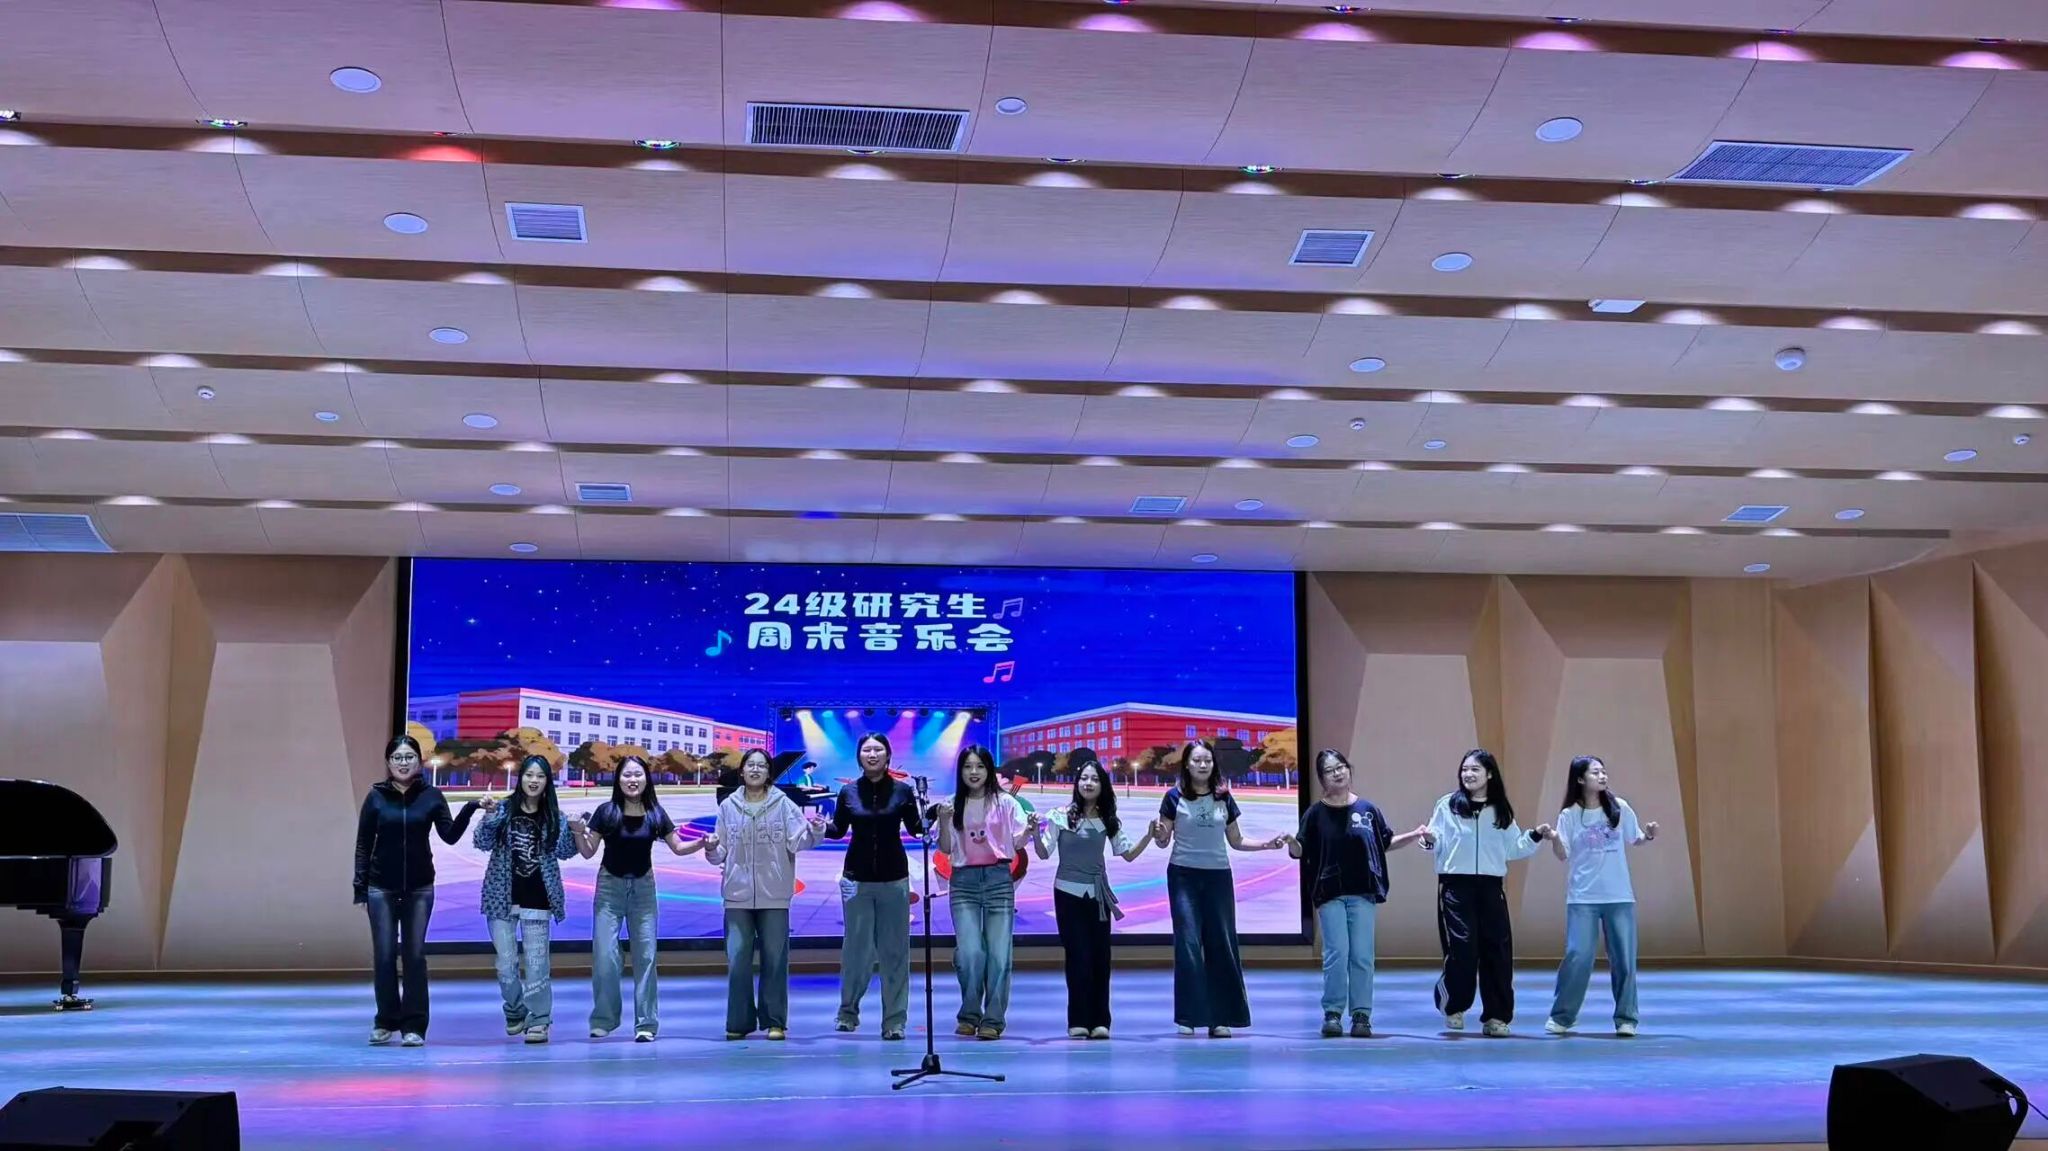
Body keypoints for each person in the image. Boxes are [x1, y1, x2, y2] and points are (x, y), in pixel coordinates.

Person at [1287, 749, 1430, 1038]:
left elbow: (1385, 842)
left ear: (1348, 769)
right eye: (1330, 770)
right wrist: (1291, 842)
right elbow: (1300, 850)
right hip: (1330, 892)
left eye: (1341, 767)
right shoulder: (1315, 814)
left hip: (1363, 891)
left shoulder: (1367, 810)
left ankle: (1362, 1015)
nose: (1337, 773)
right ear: (1322, 779)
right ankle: (1333, 1013)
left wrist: (1414, 835)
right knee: (1336, 953)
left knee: (1362, 955)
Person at [352, 734, 481, 1047]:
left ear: (418, 761)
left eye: (409, 756)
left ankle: (414, 1025)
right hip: (380, 887)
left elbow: (450, 836)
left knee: (414, 955)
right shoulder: (376, 797)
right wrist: (360, 887)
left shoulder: (431, 796)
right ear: (388, 762)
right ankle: (385, 1021)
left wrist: (470, 808)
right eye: (397, 757)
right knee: (384, 956)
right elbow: (363, 844)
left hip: (420, 888)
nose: (403, 762)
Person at [1154, 740, 1288, 1037]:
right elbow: (1163, 841)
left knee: (1221, 942)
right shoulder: (1173, 797)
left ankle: (1221, 1017)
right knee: (1188, 943)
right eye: (1197, 760)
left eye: (1208, 760)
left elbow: (1236, 840)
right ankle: (1189, 1016)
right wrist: (1159, 834)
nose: (1203, 765)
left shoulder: (1224, 797)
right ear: (1186, 764)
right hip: (1183, 876)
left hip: (1218, 877)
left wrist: (1266, 844)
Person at [572, 756, 707, 1042]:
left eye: (637, 775)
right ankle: (604, 1019)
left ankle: (646, 1023)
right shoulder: (606, 811)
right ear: (618, 779)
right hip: (609, 888)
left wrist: (701, 842)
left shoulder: (656, 812)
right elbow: (587, 851)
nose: (632, 780)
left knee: (646, 957)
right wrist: (577, 832)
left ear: (646, 779)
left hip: (644, 889)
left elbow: (678, 847)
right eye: (626, 775)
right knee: (605, 956)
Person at [1423, 749, 1552, 1037]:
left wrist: (1534, 836)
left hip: (1491, 887)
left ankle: (1496, 1017)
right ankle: (1454, 1006)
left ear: (1489, 774)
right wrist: (1430, 840)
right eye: (1464, 769)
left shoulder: (1500, 809)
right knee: (1462, 948)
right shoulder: (1447, 805)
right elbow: (1435, 839)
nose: (1468, 774)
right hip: (1455, 886)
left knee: (1497, 950)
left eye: (1475, 770)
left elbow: (1513, 848)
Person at [1029, 749, 1156, 1039]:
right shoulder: (1060, 816)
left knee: (1100, 958)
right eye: (1084, 778)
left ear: (1102, 785)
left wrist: (1149, 835)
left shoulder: (1109, 820)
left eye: (1094, 779)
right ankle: (1078, 1020)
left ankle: (1100, 1021)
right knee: (1078, 957)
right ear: (1077, 783)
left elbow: (1128, 854)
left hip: (1097, 898)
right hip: (1067, 894)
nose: (1088, 783)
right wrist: (1035, 832)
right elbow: (1044, 853)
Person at [704, 748, 828, 1041]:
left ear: (769, 772)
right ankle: (739, 1022)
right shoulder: (728, 806)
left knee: (775, 959)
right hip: (737, 894)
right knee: (738, 961)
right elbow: (719, 853)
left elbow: (798, 842)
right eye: (751, 765)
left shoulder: (783, 803)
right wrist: (710, 847)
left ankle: (775, 1021)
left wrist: (816, 831)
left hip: (775, 894)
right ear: (742, 771)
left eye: (761, 766)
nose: (756, 770)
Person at [1544, 754, 1659, 1038]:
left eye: (1603, 772)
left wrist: (1649, 835)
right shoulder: (1569, 815)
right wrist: (1555, 838)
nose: (1602, 776)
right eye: (1595, 773)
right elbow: (1562, 854)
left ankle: (1626, 1018)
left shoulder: (1619, 808)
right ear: (1580, 779)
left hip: (1619, 895)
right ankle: (1563, 1016)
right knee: (1578, 955)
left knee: (1624, 959)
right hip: (1583, 897)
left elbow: (1636, 838)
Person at [823, 732, 925, 1040]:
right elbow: (838, 830)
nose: (872, 754)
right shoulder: (848, 792)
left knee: (895, 953)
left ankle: (894, 1022)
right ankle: (847, 1013)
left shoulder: (904, 791)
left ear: (888, 755)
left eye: (878, 749)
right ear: (859, 756)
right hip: (856, 879)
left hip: (895, 879)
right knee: (856, 952)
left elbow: (917, 829)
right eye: (866, 750)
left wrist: (935, 813)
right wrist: (821, 828)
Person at [472, 755, 578, 1043]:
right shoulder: (503, 809)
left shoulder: (554, 815)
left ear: (547, 782)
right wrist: (490, 815)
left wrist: (574, 828)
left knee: (536, 965)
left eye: (540, 776)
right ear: (521, 778)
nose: (534, 780)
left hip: (538, 899)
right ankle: (515, 1010)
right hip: (500, 898)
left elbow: (566, 851)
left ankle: (540, 1019)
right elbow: (481, 841)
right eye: (529, 774)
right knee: (505, 965)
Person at [933, 745, 1037, 1040]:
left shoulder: (1005, 802)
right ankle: (969, 1014)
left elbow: (1017, 842)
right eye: (968, 766)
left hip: (998, 879)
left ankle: (993, 1019)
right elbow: (945, 848)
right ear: (960, 771)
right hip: (963, 881)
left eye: (980, 766)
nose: (974, 772)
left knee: (999, 954)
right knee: (969, 952)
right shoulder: (952, 804)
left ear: (989, 770)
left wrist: (1029, 830)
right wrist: (943, 820)